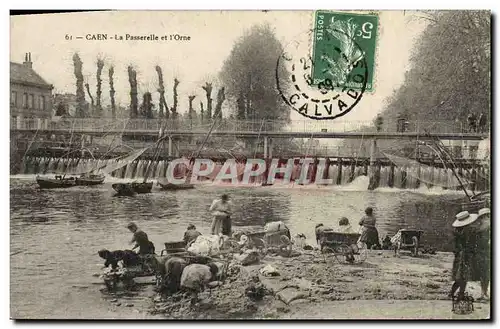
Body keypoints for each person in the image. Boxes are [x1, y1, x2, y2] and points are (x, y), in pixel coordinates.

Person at [449, 211, 480, 300]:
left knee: (459, 277)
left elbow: (455, 247)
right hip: (465, 256)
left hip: (460, 256)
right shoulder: (468, 230)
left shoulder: (457, 231)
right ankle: (459, 294)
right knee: (463, 277)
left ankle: (453, 293)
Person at [474, 208, 491, 300]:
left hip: (484, 251)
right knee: (485, 273)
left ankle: (483, 292)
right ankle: (484, 292)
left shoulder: (484, 225)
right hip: (485, 251)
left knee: (484, 273)